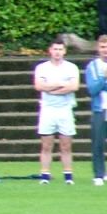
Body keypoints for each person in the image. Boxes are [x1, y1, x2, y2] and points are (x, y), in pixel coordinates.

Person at [34, 36, 80, 185]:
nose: (57, 52)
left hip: (65, 109)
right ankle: (45, 175)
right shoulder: (42, 68)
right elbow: (39, 86)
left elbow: (73, 87)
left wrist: (52, 88)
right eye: (55, 49)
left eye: (60, 49)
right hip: (47, 109)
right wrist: (60, 86)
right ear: (50, 51)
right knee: (46, 144)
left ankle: (68, 175)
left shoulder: (71, 67)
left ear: (64, 51)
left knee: (66, 145)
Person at [86, 35, 107, 187]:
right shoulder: (92, 66)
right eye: (102, 47)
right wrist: (103, 78)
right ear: (98, 49)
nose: (105, 50)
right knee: (98, 143)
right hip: (100, 109)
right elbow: (92, 89)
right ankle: (99, 174)